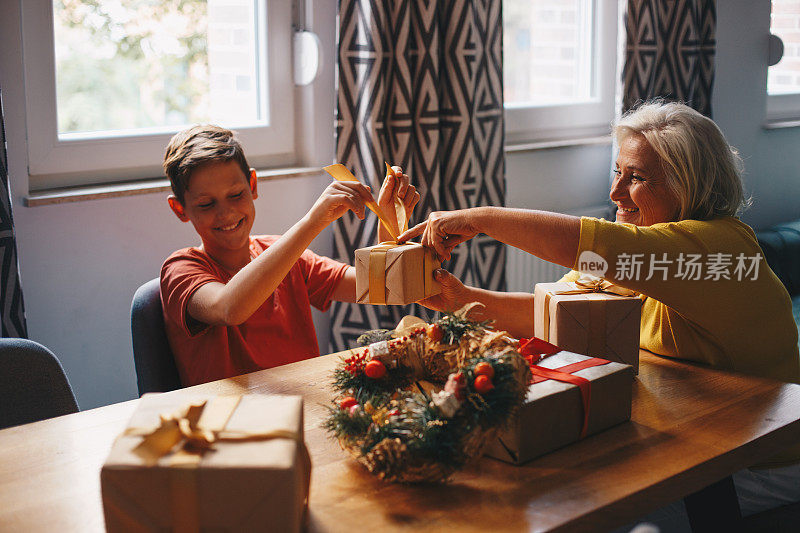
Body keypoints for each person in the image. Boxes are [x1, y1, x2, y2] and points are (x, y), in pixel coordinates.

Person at [399, 101, 800, 520]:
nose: (614, 193)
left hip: (757, 462)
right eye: (618, 171)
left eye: (637, 177)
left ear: (689, 186)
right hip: (687, 433)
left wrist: (481, 219)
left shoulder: (722, 248)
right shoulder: (637, 247)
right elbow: (557, 310)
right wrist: (460, 301)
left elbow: (598, 246)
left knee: (585, 510)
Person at [160, 124, 419, 387]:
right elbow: (229, 309)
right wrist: (312, 222)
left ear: (252, 185)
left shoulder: (285, 255)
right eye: (206, 204)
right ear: (180, 208)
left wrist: (390, 222)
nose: (225, 213)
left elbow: (380, 286)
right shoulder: (180, 269)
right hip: (230, 422)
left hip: (304, 409)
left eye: (236, 195)